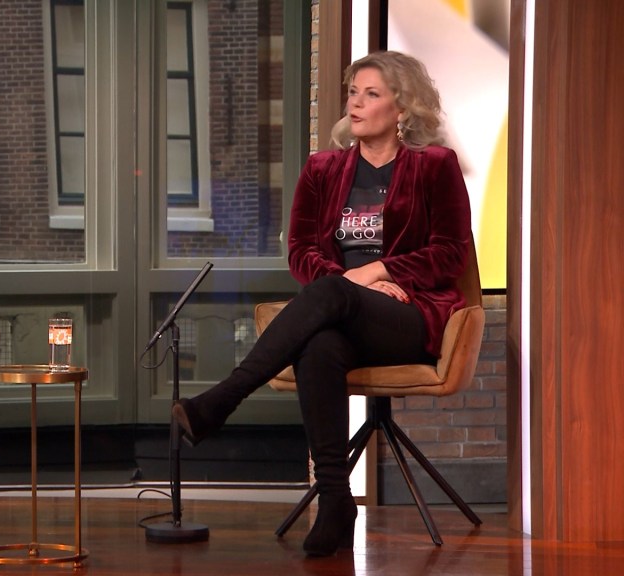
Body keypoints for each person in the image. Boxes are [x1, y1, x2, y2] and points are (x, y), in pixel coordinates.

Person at [173, 51, 472, 557]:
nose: (355, 103)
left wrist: (374, 273)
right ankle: (336, 499)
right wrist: (349, 287)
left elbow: (450, 253)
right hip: (341, 312)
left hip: (409, 313)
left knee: (333, 293)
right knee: (319, 347)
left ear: (401, 108)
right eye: (353, 92)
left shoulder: (434, 166)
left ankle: (224, 397)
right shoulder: (323, 169)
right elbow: (301, 252)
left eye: (371, 94)